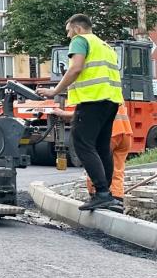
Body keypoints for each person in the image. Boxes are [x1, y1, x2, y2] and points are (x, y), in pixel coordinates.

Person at [41, 14, 124, 213]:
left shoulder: (80, 41)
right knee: (102, 147)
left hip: (92, 100)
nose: (69, 36)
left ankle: (102, 193)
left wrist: (54, 91)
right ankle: (108, 195)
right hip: (110, 101)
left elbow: (75, 68)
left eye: (69, 31)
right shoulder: (105, 46)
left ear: (77, 29)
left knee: (82, 144)